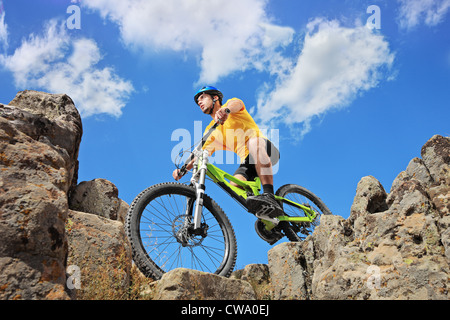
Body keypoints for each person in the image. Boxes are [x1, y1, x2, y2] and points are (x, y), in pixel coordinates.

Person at [172, 86, 282, 220]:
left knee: (253, 143)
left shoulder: (231, 106)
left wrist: (226, 110)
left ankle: (269, 195)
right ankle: (268, 217)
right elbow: (199, 153)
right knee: (233, 186)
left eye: (202, 97)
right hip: (248, 162)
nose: (199, 102)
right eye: (197, 102)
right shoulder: (211, 131)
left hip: (264, 149)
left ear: (215, 97)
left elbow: (237, 104)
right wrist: (183, 169)